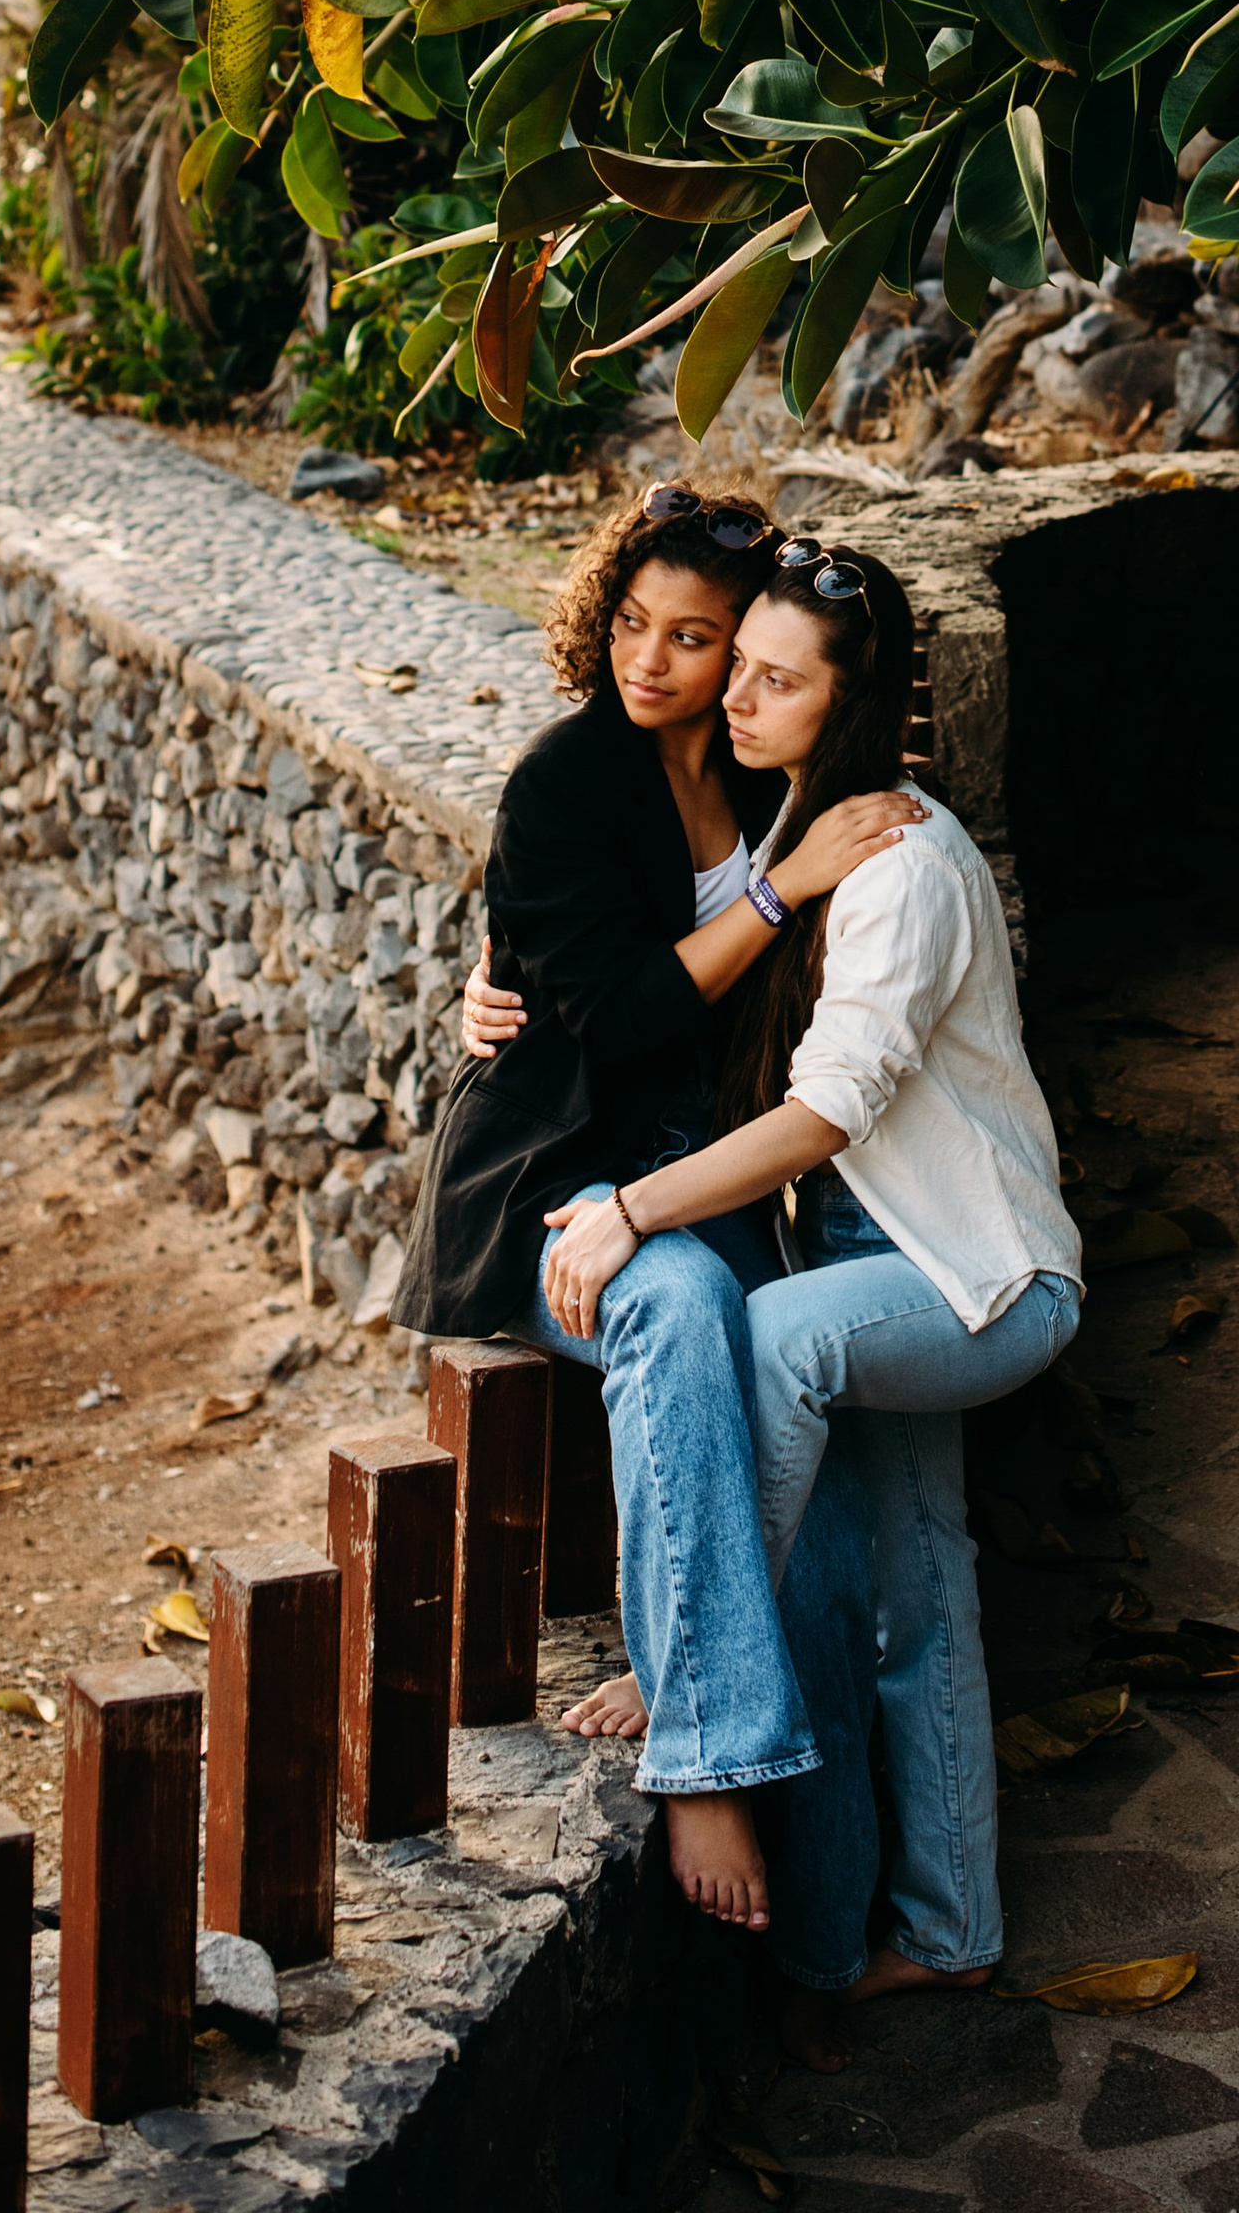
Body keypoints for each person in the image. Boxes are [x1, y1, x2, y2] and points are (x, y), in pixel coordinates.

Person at [511, 538, 1084, 2060]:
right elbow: (627, 962)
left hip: (976, 1282)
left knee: (766, 1337)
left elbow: (828, 1114)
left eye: (775, 679)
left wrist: (629, 1207)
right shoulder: (790, 832)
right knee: (919, 1597)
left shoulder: (894, 860)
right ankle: (953, 1936)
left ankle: (689, 1656)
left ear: (849, 705)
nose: (736, 697)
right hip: (880, 1271)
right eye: (735, 666)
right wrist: (500, 986)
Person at [389, 481, 920, 1932]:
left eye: (697, 638)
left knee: (806, 1483)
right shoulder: (568, 784)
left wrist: (797, 861)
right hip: (561, 1181)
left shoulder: (767, 774)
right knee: (685, 1309)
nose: (654, 663)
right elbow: (614, 1023)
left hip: (718, 1174)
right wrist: (776, 893)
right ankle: (703, 1760)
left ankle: (825, 1946)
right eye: (633, 624)